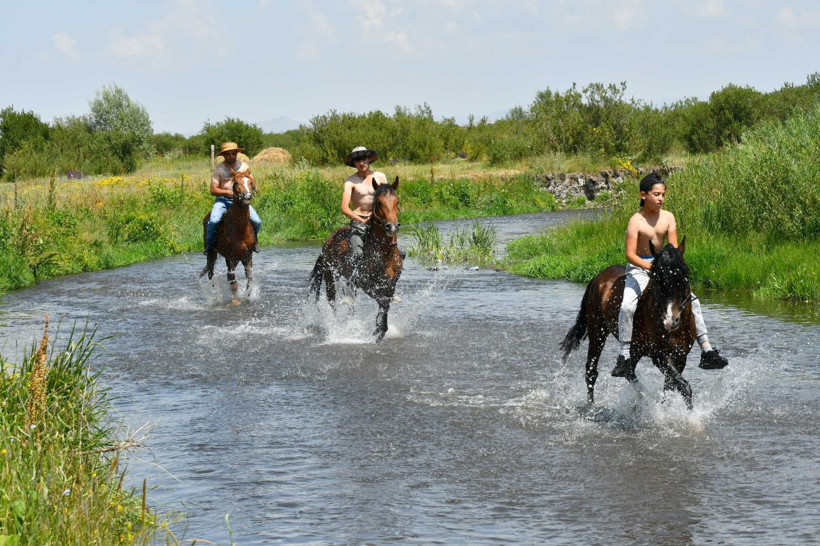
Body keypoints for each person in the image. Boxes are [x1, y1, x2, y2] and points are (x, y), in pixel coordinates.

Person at [611, 172, 728, 377]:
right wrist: (651, 267)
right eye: (656, 194)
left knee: (693, 301)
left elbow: (673, 250)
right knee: (627, 305)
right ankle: (624, 354)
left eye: (663, 195)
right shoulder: (636, 221)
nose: (661, 198)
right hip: (640, 269)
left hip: (663, 269)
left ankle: (707, 349)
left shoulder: (668, 217)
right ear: (643, 195)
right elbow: (630, 254)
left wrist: (669, 268)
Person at [340, 146, 390, 279]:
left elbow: (388, 201)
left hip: (378, 222)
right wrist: (362, 220)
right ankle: (352, 285)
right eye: (358, 160)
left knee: (400, 251)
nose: (361, 163)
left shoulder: (380, 176)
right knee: (357, 253)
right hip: (359, 222)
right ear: (354, 163)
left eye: (364, 159)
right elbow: (344, 208)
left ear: (369, 160)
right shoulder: (350, 181)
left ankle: (390, 281)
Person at [204, 142, 261, 254]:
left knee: (257, 221)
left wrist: (251, 189)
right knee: (214, 220)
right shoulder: (219, 169)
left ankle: (254, 243)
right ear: (224, 155)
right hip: (223, 200)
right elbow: (213, 190)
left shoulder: (244, 166)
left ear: (236, 154)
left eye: (233, 153)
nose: (231, 156)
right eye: (228, 154)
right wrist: (226, 192)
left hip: (241, 201)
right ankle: (210, 246)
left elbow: (252, 183)